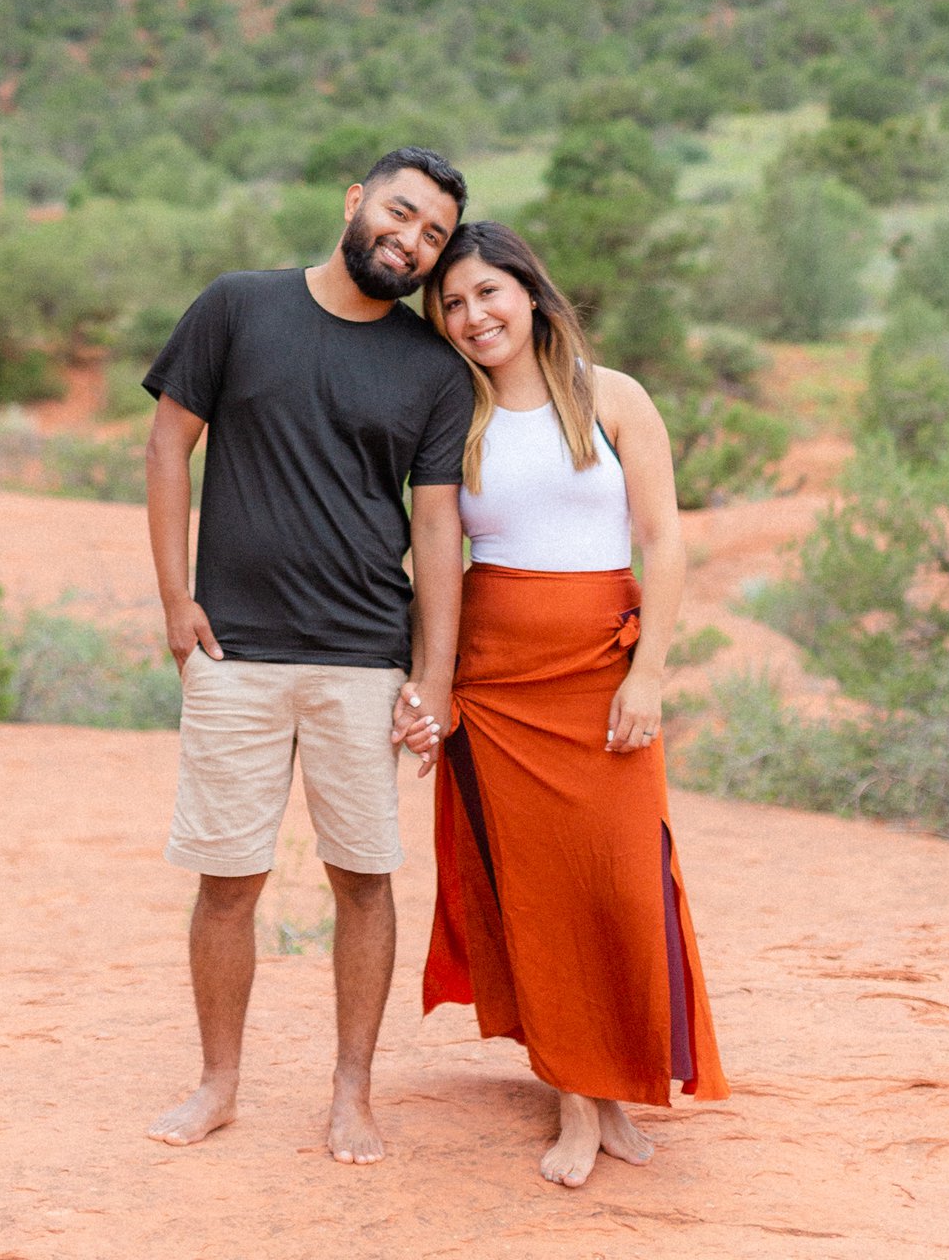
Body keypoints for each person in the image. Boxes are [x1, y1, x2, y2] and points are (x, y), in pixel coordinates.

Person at [142, 145, 473, 1165]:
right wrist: (173, 600)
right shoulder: (238, 307)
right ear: (354, 201)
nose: (410, 241)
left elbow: (435, 530)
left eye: (432, 236)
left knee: (363, 878)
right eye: (401, 215)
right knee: (227, 879)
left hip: (365, 663)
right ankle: (218, 1084)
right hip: (235, 652)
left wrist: (436, 677)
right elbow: (166, 445)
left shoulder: (433, 369)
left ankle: (352, 1094)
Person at [416, 218, 728, 1190]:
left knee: (622, 880)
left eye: (487, 294)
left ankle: (619, 1082)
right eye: (453, 305)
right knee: (540, 897)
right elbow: (442, 564)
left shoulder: (614, 400)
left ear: (530, 292)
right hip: (498, 684)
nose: (473, 317)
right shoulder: (452, 417)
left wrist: (651, 673)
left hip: (601, 667)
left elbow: (663, 541)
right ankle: (578, 1103)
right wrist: (436, 690)